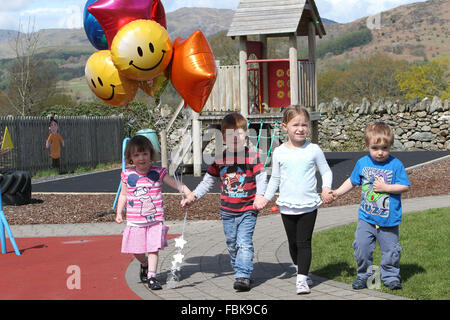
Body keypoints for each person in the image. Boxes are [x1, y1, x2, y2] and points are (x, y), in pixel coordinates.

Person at [181, 112, 267, 292]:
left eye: (239, 134)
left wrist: (261, 195)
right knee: (232, 243)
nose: (235, 138)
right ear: (223, 137)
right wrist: (193, 197)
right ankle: (240, 269)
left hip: (247, 209)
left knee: (244, 242)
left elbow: (261, 177)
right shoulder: (219, 159)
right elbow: (208, 181)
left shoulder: (252, 156)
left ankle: (243, 275)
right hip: (227, 211)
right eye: (230, 135)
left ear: (246, 134)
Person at [253, 105, 334, 294]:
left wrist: (326, 188)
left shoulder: (313, 150)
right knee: (293, 243)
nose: (300, 129)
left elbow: (326, 171)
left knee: (304, 242)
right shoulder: (279, 152)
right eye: (295, 124)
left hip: (308, 205)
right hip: (287, 205)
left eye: (304, 125)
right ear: (285, 127)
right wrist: (266, 197)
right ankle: (301, 269)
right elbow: (275, 178)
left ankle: (302, 280)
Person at [331, 121, 410, 290]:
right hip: (366, 218)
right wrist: (337, 192)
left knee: (390, 251)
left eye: (385, 148)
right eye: (375, 148)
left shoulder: (395, 165)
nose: (380, 153)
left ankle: (390, 277)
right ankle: (365, 275)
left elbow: (405, 186)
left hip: (388, 220)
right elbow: (352, 181)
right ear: (367, 145)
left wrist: (387, 188)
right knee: (362, 247)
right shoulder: (362, 163)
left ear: (390, 146)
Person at [115, 135, 193, 290]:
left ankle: (152, 276)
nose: (141, 158)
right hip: (135, 221)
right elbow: (123, 194)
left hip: (154, 221)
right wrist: (119, 212)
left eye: (145, 154)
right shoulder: (127, 175)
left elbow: (175, 183)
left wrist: (187, 191)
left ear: (151, 155)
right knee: (136, 251)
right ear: (130, 158)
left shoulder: (158, 172)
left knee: (153, 248)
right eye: (136, 155)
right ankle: (143, 263)